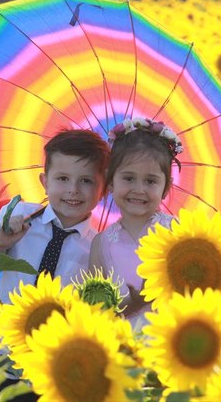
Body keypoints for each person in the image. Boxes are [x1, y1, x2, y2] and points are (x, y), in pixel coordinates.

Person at [0, 128, 109, 304]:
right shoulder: (18, 216)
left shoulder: (98, 250)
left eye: (86, 181)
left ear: (103, 189)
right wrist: (0, 243)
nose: (73, 190)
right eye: (63, 178)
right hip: (3, 325)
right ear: (45, 182)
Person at [88, 117, 182, 324]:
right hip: (124, 342)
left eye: (150, 181)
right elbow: (96, 309)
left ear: (166, 187)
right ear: (110, 181)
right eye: (129, 178)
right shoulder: (101, 244)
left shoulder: (178, 232)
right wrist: (132, 304)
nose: (139, 190)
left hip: (172, 336)